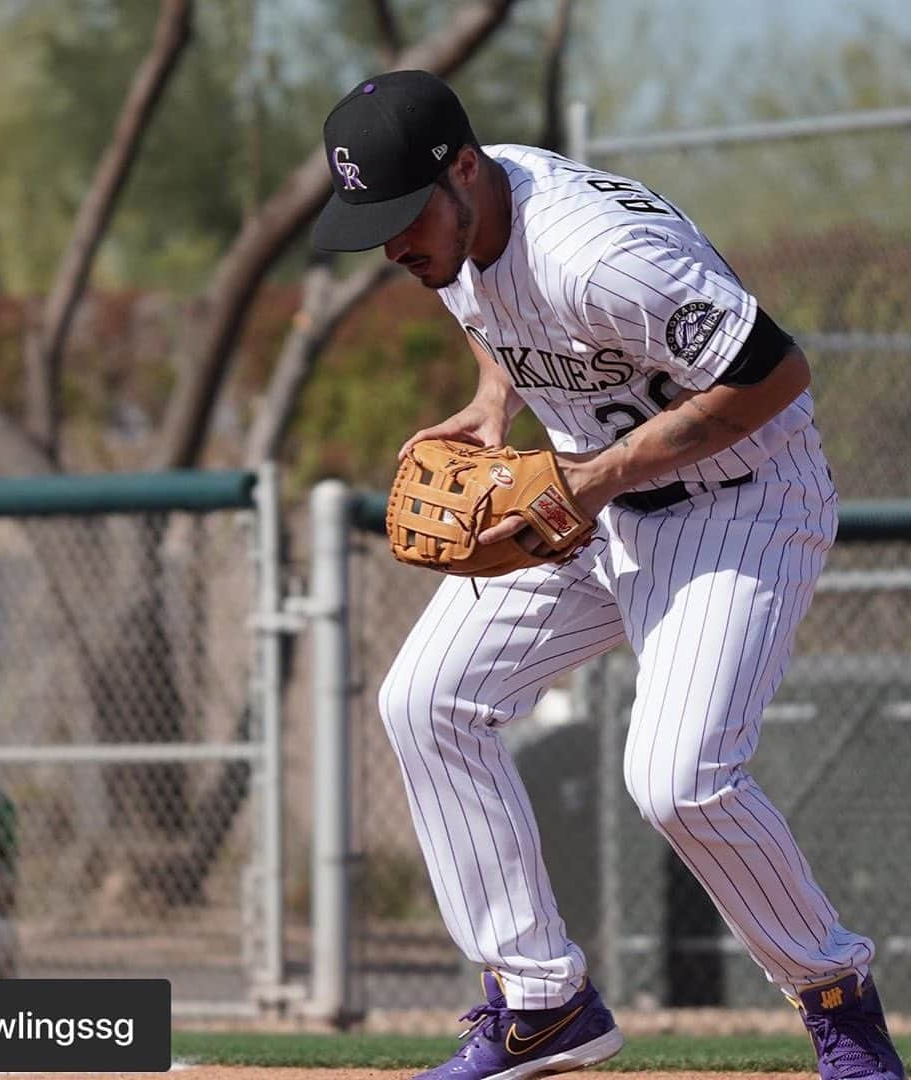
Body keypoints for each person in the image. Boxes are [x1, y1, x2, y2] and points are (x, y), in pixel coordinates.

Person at [311, 70, 906, 1080]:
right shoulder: (461, 230)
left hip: (741, 502)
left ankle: (838, 1004)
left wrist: (595, 480)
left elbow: (775, 375)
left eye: (406, 216)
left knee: (677, 782)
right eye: (376, 224)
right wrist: (494, 402)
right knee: (427, 700)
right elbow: (498, 309)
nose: (397, 244)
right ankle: (543, 1003)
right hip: (589, 502)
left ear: (464, 169)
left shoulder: (601, 257)